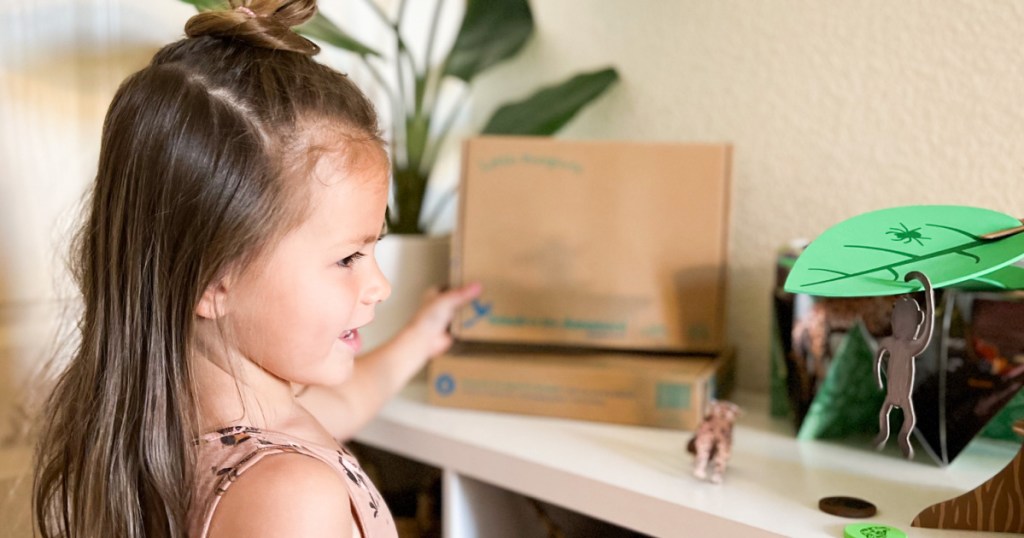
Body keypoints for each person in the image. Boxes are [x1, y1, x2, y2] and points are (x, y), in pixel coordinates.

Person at [31, 1, 480, 536]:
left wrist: (421, 336)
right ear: (215, 279)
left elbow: (344, 400)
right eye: (348, 258)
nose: (378, 285)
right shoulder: (289, 498)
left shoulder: (176, 435)